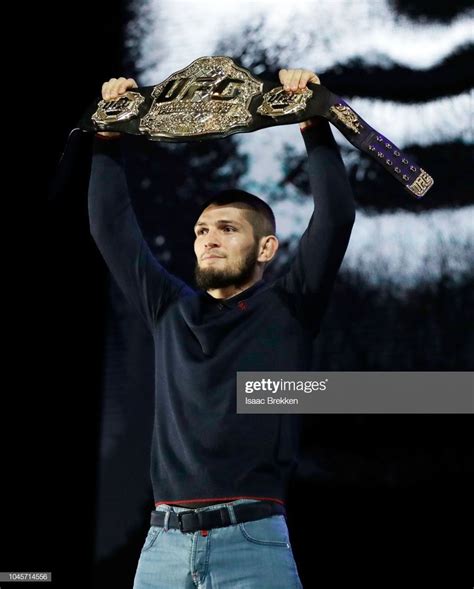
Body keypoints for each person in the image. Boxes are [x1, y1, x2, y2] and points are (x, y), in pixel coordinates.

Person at [88, 67, 356, 589]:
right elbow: (109, 224)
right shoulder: (168, 307)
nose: (208, 238)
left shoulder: (288, 305)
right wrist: (108, 132)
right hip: (162, 547)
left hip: (252, 544)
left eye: (228, 229)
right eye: (202, 230)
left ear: (265, 249)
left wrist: (310, 121)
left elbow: (336, 215)